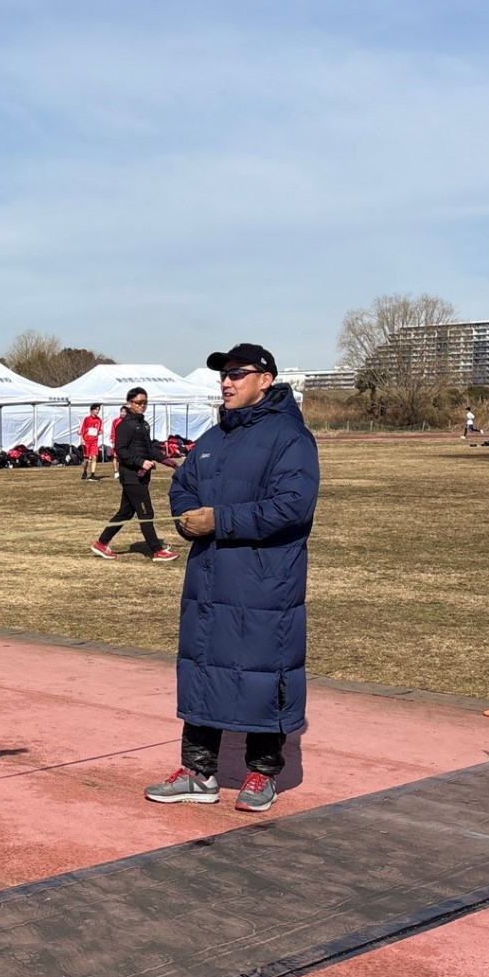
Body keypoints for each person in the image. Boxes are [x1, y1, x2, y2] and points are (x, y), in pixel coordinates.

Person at [145, 344, 318, 813]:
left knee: (265, 672)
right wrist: (186, 516)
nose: (226, 382)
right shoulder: (214, 436)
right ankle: (198, 771)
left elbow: (292, 507)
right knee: (202, 668)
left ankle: (262, 773)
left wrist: (219, 520)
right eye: (223, 374)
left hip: (264, 581)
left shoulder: (290, 437)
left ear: (265, 379)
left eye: (237, 374)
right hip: (209, 578)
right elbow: (183, 485)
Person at [91, 388, 177, 562]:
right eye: (138, 403)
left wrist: (166, 461)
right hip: (131, 475)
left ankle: (101, 543)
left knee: (125, 512)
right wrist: (140, 462)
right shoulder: (125, 425)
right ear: (130, 403)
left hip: (142, 475)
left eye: (145, 402)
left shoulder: (143, 424)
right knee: (146, 513)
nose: (142, 406)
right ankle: (156, 550)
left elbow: (148, 448)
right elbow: (120, 450)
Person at [79, 404, 105, 481]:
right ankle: (85, 471)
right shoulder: (86, 419)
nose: (97, 411)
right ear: (91, 410)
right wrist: (82, 439)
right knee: (86, 459)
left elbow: (98, 430)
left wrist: (100, 432)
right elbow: (82, 430)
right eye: (96, 409)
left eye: (98, 410)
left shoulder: (99, 420)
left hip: (94, 442)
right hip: (87, 441)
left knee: (94, 457)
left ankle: (92, 474)